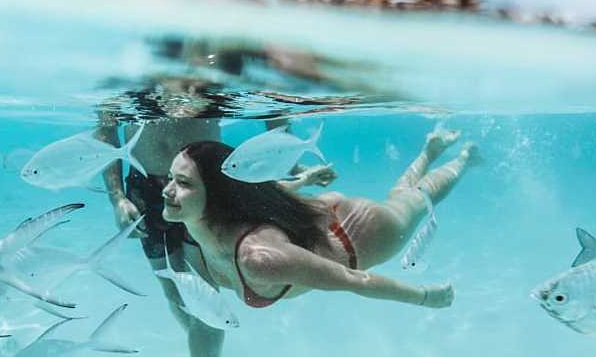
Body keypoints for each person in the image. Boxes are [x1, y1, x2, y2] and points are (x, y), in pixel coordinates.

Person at [94, 78, 336, 357]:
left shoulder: (202, 78)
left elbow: (271, 104)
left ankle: (205, 339)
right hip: (145, 189)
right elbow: (106, 131)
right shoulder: (131, 82)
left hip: (204, 189)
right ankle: (204, 341)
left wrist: (290, 162)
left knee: (204, 300)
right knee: (172, 288)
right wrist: (117, 197)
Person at [160, 128, 480, 310]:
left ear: (216, 195)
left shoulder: (257, 258)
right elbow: (258, 194)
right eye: (171, 178)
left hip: (359, 233)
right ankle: (430, 149)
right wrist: (304, 180)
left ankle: (464, 159)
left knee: (418, 199)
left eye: (183, 183)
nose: (166, 191)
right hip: (319, 215)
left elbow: (354, 280)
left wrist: (424, 297)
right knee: (403, 196)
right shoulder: (205, 226)